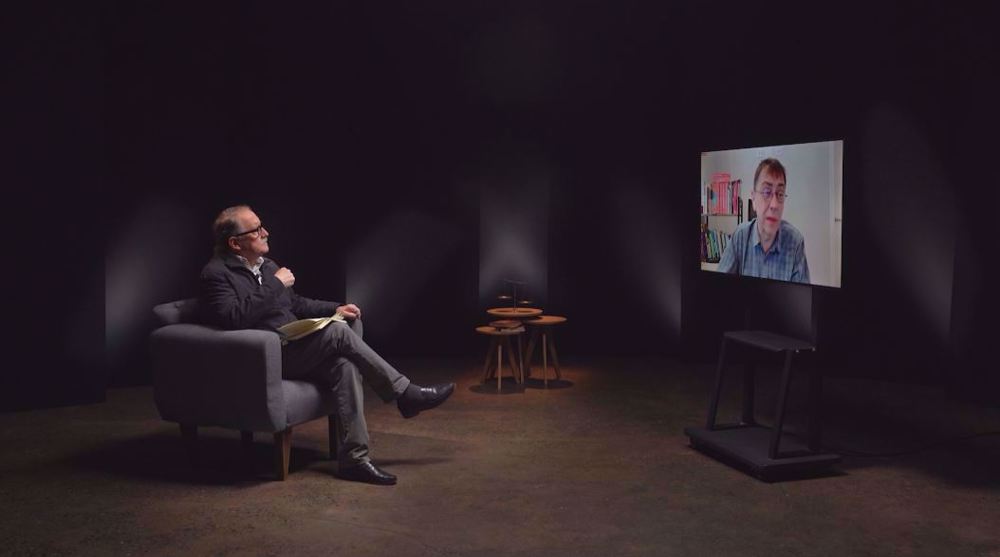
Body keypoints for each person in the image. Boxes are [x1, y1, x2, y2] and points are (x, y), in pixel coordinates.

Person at [199, 205, 455, 485]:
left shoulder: (267, 266)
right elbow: (234, 318)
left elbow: (295, 304)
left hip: (295, 346)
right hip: (267, 355)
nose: (266, 233)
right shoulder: (216, 274)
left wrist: (336, 307)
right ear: (235, 243)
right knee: (338, 334)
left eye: (263, 226)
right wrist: (274, 284)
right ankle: (405, 394)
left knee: (343, 364)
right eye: (256, 229)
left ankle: (354, 460)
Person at [716, 158, 810, 284]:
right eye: (766, 192)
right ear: (753, 199)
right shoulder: (740, 236)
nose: (774, 205)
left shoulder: (795, 243)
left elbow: (801, 299)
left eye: (780, 194)